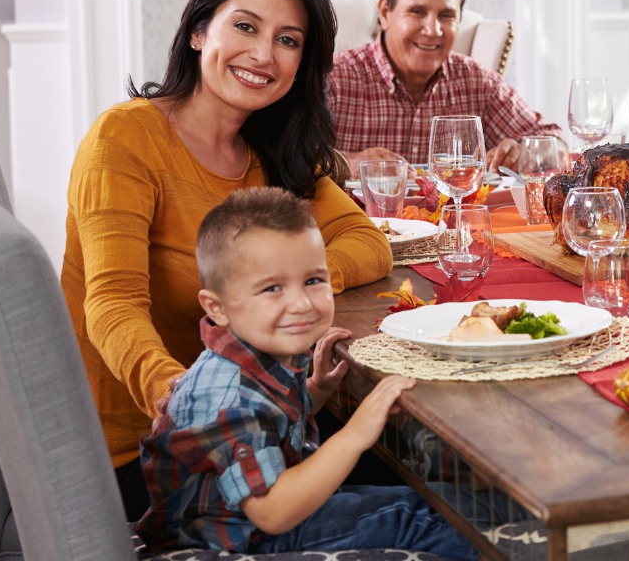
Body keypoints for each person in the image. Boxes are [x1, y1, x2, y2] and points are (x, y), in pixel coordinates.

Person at [61, 0, 393, 522]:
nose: (264, 54)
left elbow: (369, 244)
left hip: (255, 425)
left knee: (435, 475)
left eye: (288, 40)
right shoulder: (125, 138)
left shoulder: (274, 151)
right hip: (145, 457)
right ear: (197, 32)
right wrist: (185, 400)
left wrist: (293, 282)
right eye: (245, 26)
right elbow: (112, 305)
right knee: (430, 499)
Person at [136, 188, 474, 557]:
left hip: (252, 516)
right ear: (217, 308)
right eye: (272, 288)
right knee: (419, 520)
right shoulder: (228, 396)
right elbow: (272, 513)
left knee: (440, 502)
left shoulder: (262, 351)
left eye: (314, 280)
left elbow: (269, 426)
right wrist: (357, 432)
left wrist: (317, 389)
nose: (300, 303)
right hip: (239, 540)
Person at [328, 0, 563, 175]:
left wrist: (524, 154)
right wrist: (347, 163)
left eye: (446, 15)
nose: (433, 30)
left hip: (458, 216)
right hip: (361, 216)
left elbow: (557, 143)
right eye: (417, 11)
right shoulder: (334, 80)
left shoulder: (477, 82)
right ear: (385, 12)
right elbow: (293, 157)